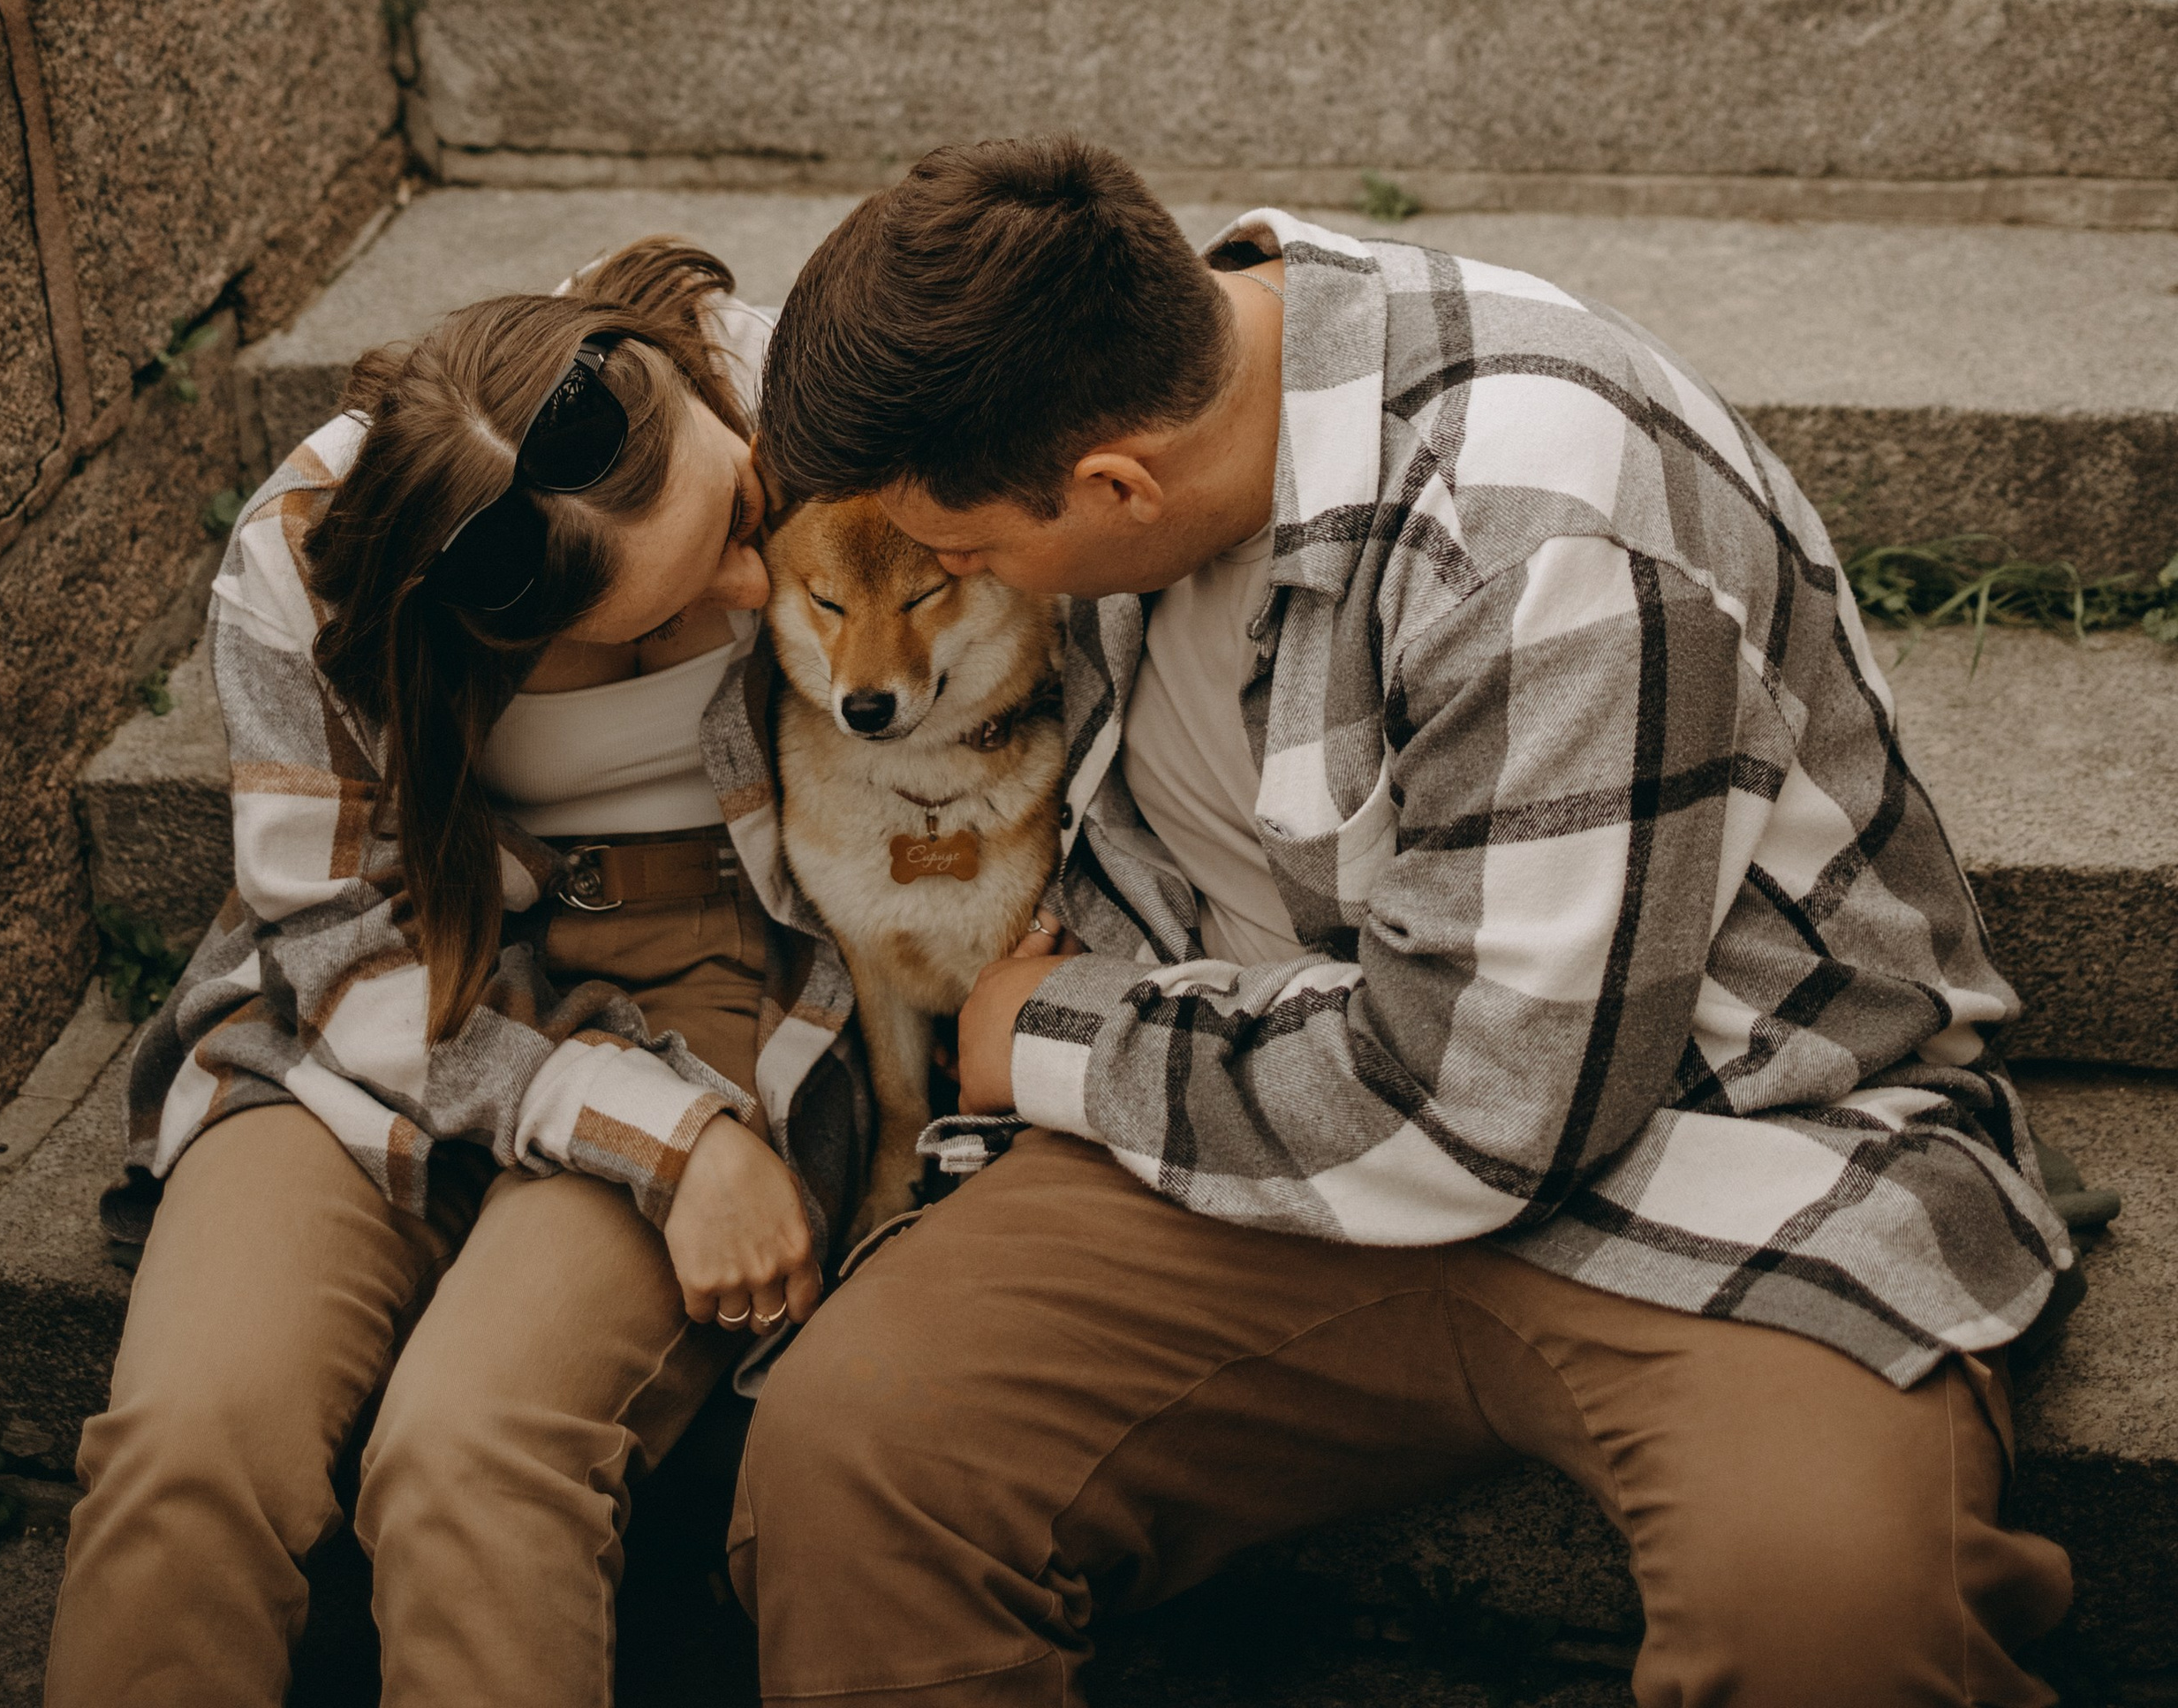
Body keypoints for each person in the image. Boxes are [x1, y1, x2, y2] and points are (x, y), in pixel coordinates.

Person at [741, 136, 2076, 1708]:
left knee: (1829, 1614)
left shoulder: (1538, 538)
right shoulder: (1126, 365)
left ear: (1115, 489)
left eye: (969, 562)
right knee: (852, 1459)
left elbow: (1482, 1107)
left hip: (1708, 1135)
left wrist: (1044, 1033)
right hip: (1248, 1128)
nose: (965, 588)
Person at [47, 236, 867, 1708]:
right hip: (396, 990)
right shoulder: (315, 550)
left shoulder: (811, 402)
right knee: (187, 1443)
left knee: (473, 1449)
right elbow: (340, 947)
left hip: (715, 982)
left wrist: (698, 1125)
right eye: (674, 612)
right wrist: (659, 1142)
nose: (756, 579)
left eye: (739, 513)